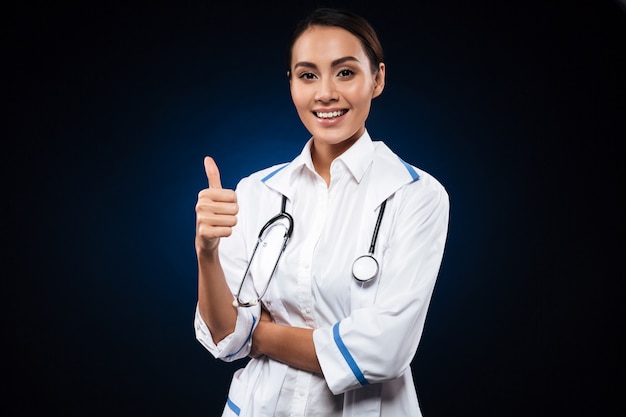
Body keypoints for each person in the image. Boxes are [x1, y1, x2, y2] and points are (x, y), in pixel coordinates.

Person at [194, 7, 449, 417]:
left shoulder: (416, 194)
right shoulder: (257, 191)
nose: (325, 93)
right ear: (291, 84)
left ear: (377, 79)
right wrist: (206, 252)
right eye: (308, 75)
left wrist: (256, 334)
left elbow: (384, 351)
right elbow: (224, 337)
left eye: (345, 72)